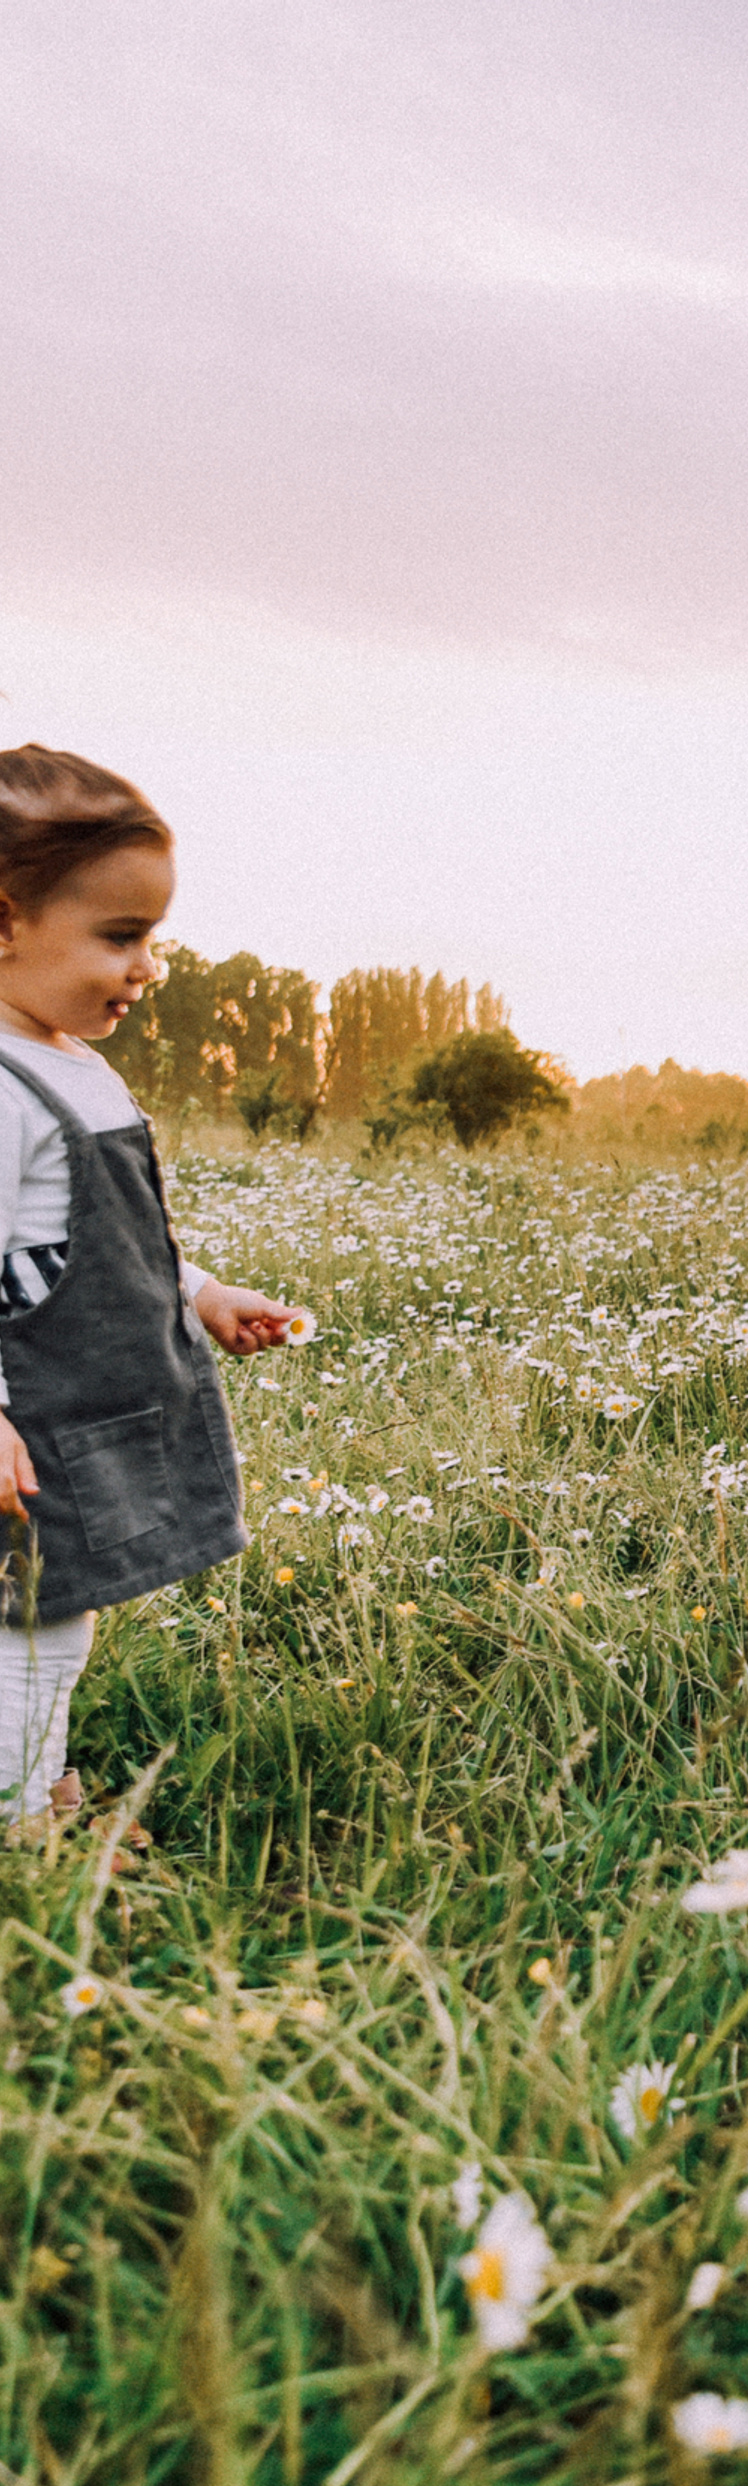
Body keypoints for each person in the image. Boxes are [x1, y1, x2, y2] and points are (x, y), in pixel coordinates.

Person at [0, 746, 310, 1828]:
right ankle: (20, 1824)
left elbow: (84, 1239)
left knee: (51, 1621)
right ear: (5, 921)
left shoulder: (67, 1060)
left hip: (64, 1422)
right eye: (120, 937)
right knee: (28, 1632)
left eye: (155, 938)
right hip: (20, 1432)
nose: (148, 967)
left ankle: (35, 1783)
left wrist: (199, 1291)